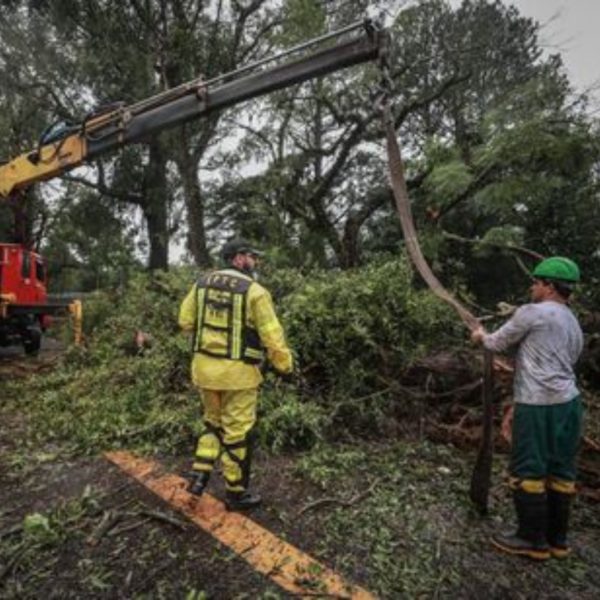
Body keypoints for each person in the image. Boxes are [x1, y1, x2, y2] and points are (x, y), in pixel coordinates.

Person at [471, 256, 584, 560]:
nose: (532, 286)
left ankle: (530, 540)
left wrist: (479, 335)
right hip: (569, 404)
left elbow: (495, 343)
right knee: (560, 470)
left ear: (548, 286)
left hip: (538, 406)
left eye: (536, 282)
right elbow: (569, 361)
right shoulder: (572, 321)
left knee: (529, 468)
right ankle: (557, 541)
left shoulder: (532, 312)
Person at [178, 238, 293, 511]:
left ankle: (199, 477)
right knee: (238, 432)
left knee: (212, 424)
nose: (256, 262)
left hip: (204, 372)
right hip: (239, 376)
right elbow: (272, 336)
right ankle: (236, 494)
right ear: (239, 259)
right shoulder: (255, 291)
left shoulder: (201, 283)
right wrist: (285, 366)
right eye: (253, 257)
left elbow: (184, 322)